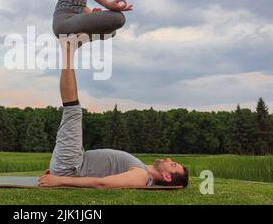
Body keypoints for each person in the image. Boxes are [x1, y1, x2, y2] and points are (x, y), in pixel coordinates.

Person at [38, 39, 189, 188]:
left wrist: (60, 180)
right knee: (73, 111)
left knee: (73, 110)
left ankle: (68, 50)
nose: (169, 159)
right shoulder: (141, 168)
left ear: (167, 176)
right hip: (72, 163)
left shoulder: (141, 176)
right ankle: (69, 50)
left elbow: (103, 183)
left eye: (173, 164)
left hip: (71, 167)